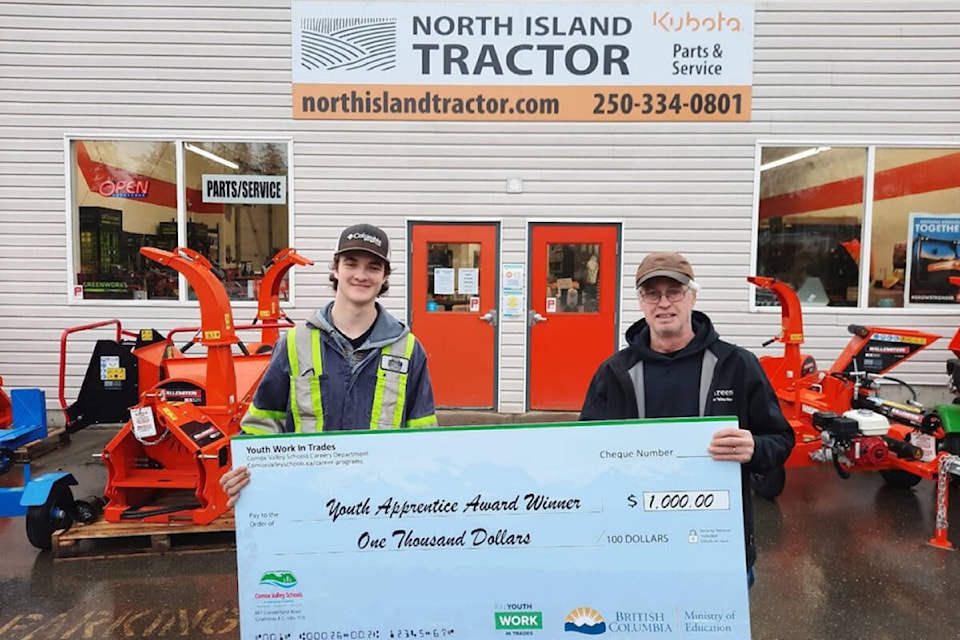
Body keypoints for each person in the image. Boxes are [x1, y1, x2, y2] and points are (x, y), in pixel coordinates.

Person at [579, 251, 794, 586]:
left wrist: (754, 448)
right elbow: (585, 452)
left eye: (674, 291)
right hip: (637, 547)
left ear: (692, 296)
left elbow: (781, 441)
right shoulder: (615, 372)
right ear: (641, 302)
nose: (663, 303)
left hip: (718, 547)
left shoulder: (736, 365)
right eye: (652, 293)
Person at [220, 223, 438, 505]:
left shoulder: (408, 349)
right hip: (308, 504)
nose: (361, 275)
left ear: (384, 277)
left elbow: (423, 437)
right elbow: (263, 425)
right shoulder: (294, 344)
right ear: (336, 269)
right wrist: (242, 472)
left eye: (373, 267)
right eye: (351, 264)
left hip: (380, 506)